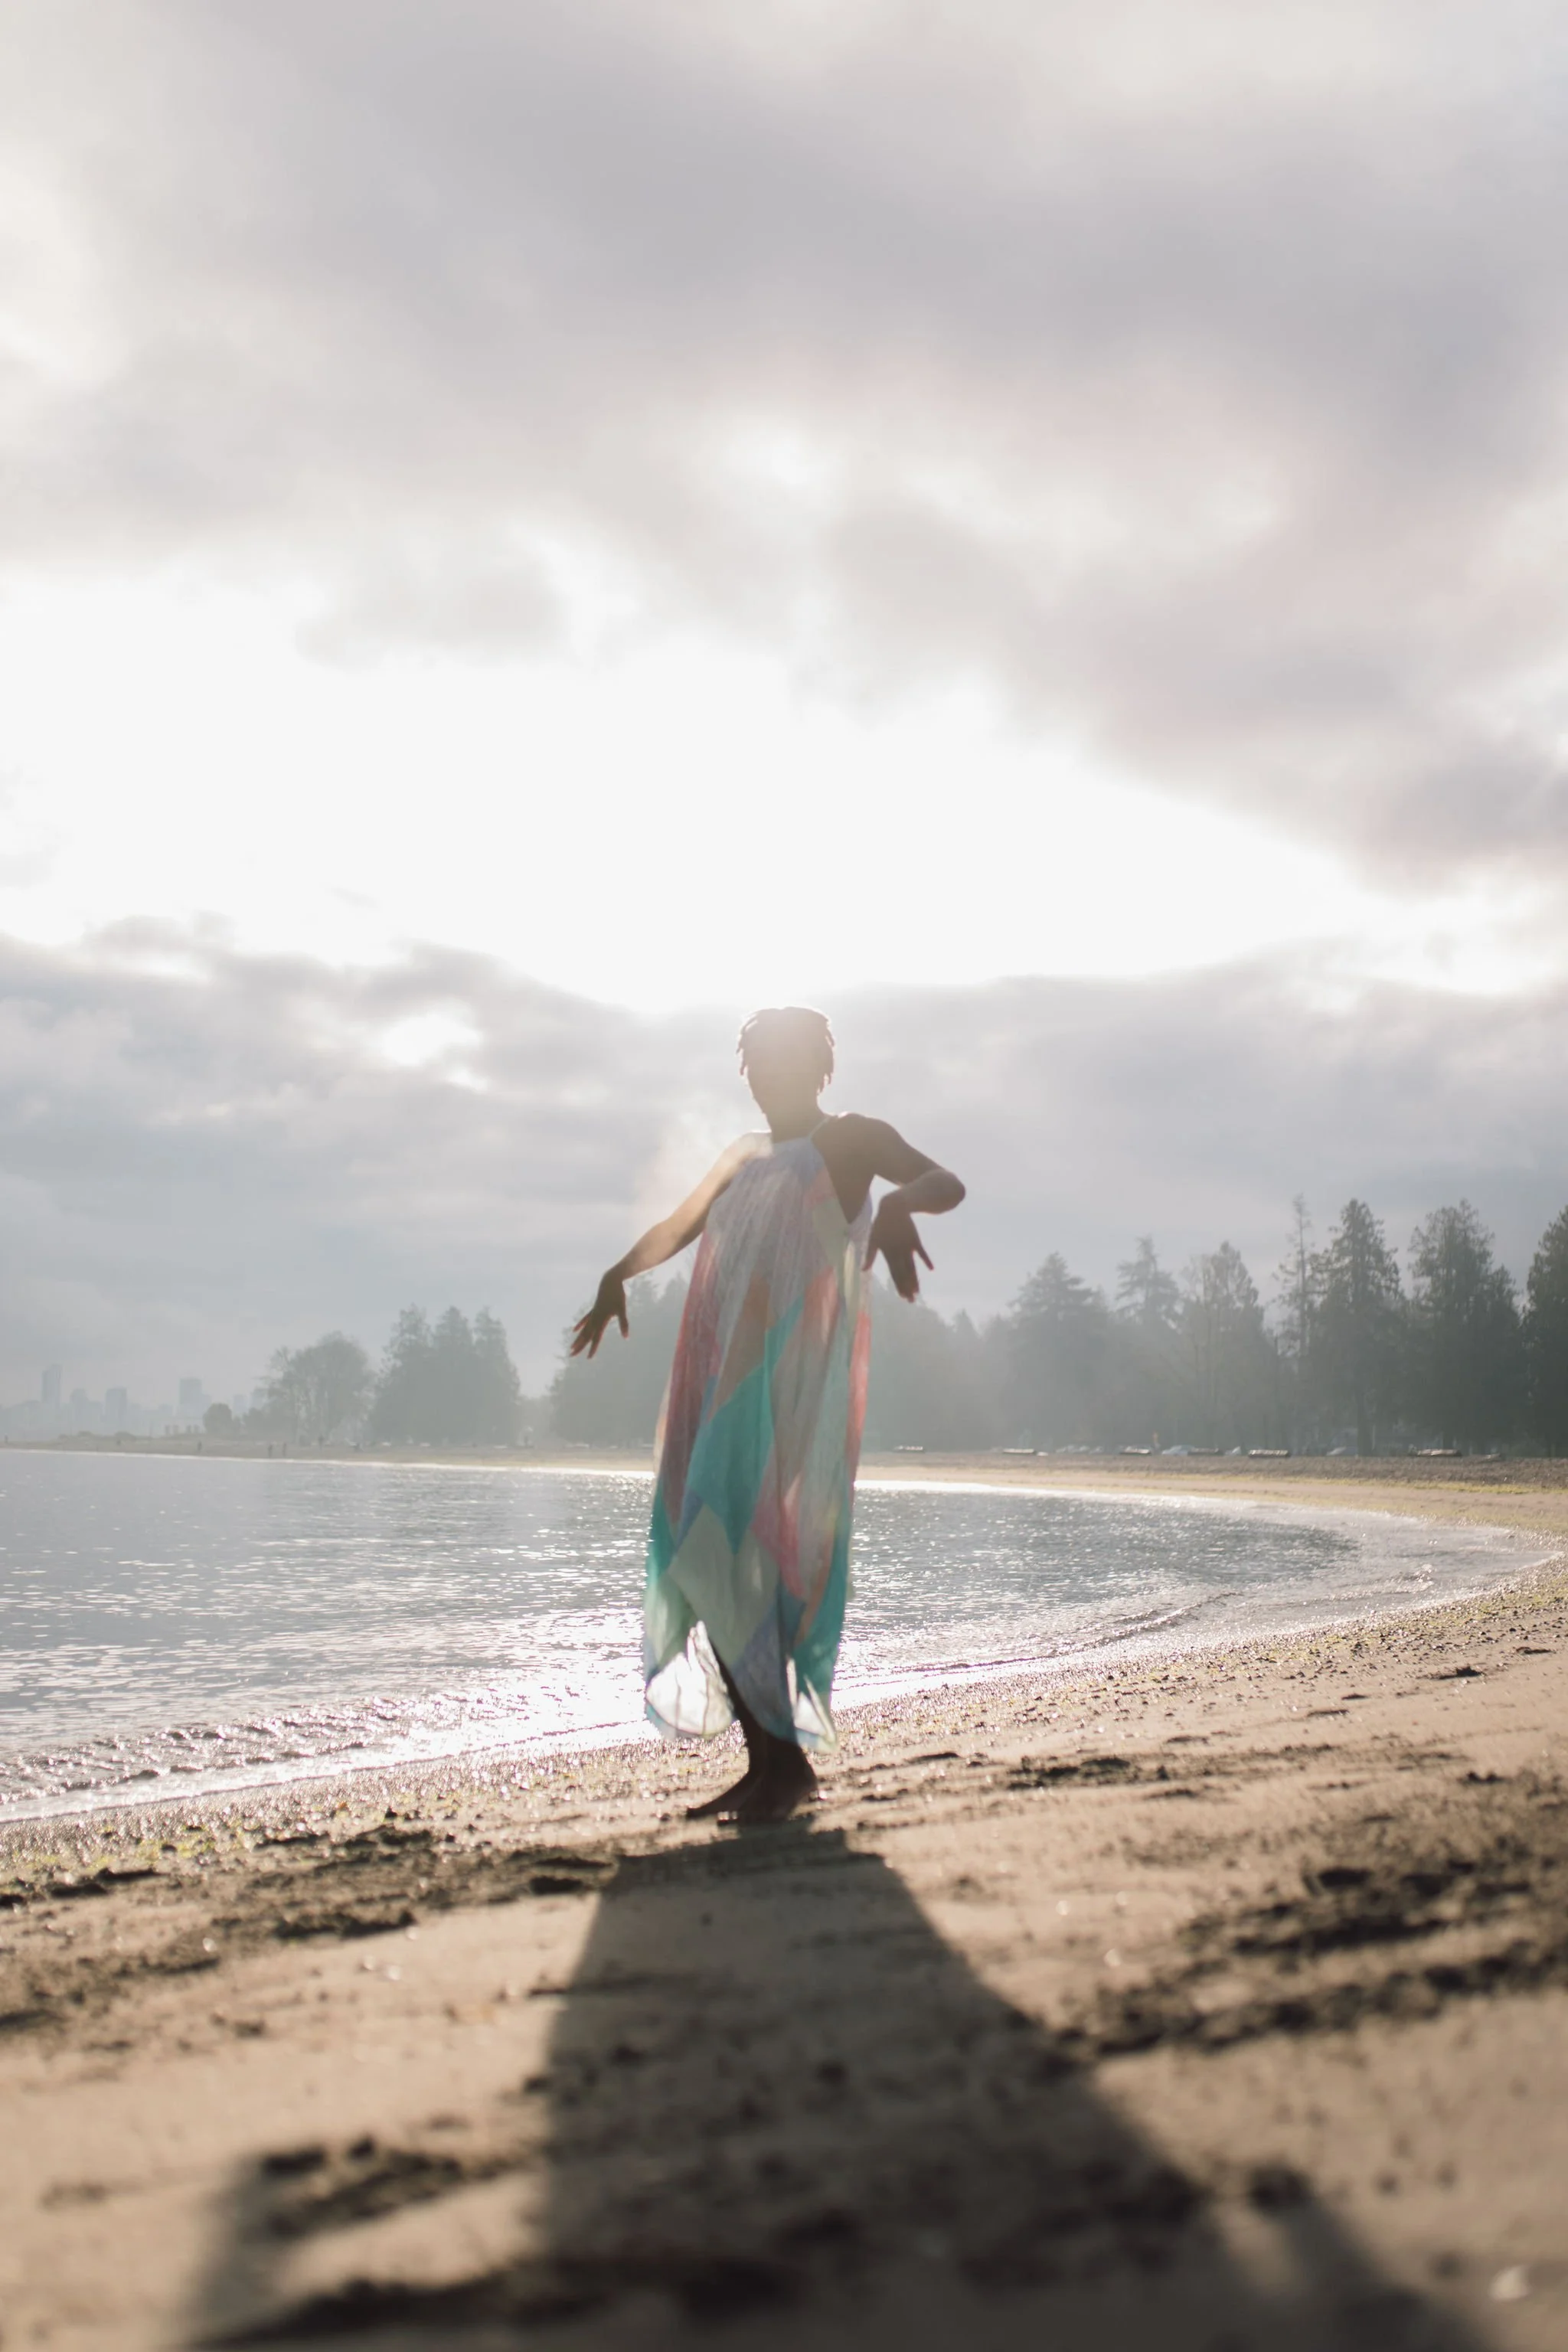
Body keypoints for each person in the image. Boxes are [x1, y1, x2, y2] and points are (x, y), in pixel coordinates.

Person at [571, 1007, 965, 1822]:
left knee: (727, 1549)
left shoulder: (849, 1138)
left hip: (788, 1381)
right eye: (753, 1061)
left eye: (784, 1061)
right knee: (704, 1551)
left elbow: (944, 1182)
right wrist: (616, 1274)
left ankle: (782, 1766)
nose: (765, 1075)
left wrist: (896, 1211)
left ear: (820, 1068)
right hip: (718, 1374)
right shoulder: (742, 1156)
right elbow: (677, 1229)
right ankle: (770, 1763)